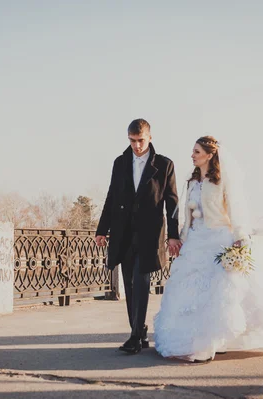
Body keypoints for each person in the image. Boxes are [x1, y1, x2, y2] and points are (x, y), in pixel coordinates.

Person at [153, 136, 263, 363]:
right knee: (188, 292)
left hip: (218, 240)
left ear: (209, 155)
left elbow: (236, 210)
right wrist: (180, 239)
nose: (192, 155)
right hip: (195, 242)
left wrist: (240, 237)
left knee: (221, 294)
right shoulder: (192, 182)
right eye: (193, 151)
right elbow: (187, 217)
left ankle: (220, 339)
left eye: (197, 151)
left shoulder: (223, 181)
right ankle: (190, 339)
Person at [95, 118, 181, 355]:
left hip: (149, 234)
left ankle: (134, 336)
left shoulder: (164, 165)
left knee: (141, 282)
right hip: (123, 232)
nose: (136, 146)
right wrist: (102, 230)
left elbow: (172, 203)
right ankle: (139, 330)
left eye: (140, 140)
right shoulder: (120, 162)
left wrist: (173, 235)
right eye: (132, 141)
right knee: (129, 284)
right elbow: (111, 196)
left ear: (150, 137)